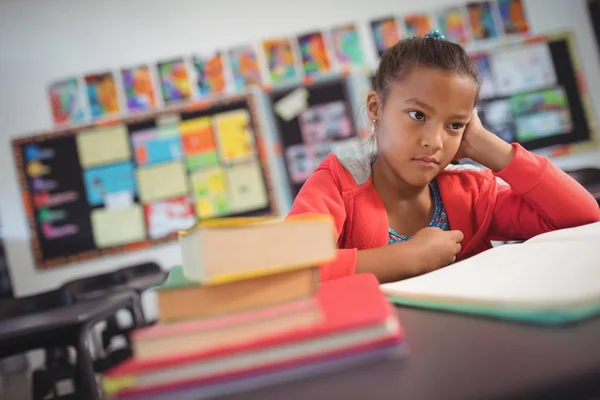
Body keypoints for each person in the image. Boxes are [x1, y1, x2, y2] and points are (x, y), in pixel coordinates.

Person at [287, 30, 600, 283]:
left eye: (454, 124)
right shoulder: (337, 184)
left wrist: (485, 145)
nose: (434, 141)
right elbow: (289, 270)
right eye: (417, 114)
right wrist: (409, 256)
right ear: (375, 108)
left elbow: (583, 217)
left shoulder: (471, 193)